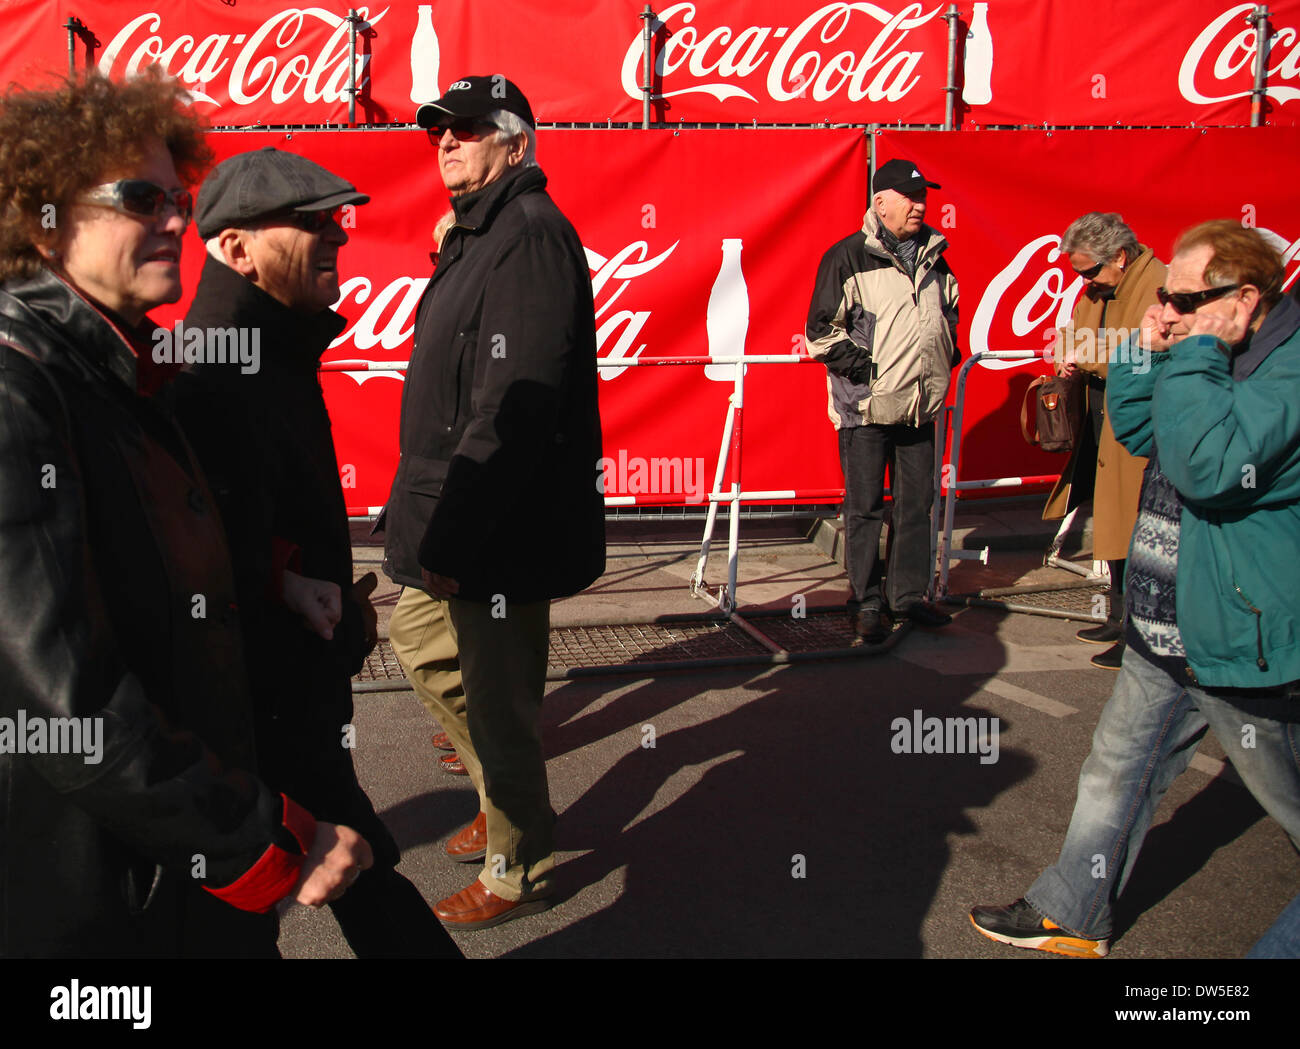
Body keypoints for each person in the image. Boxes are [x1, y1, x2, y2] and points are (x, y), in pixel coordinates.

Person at [0, 72, 371, 957]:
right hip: (102, 888)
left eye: (180, 196)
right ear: (43, 219)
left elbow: (147, 550)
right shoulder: (19, 388)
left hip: (169, 861)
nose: (175, 218)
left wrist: (275, 574)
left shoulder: (120, 364)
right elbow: (67, 701)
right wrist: (261, 832)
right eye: (142, 198)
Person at [970, 220, 1300, 958]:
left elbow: (1212, 464)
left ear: (1245, 299)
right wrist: (1145, 353)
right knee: (1116, 766)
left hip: (1241, 635)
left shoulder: (1285, 367)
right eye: (1166, 297)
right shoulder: (1200, 348)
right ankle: (1074, 908)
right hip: (1163, 621)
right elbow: (1145, 432)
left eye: (1184, 299)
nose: (1167, 310)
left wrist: (1196, 355)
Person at [173, 147, 462, 958]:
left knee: (339, 872)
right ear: (235, 249)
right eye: (306, 223)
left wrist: (317, 589)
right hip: (265, 698)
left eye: (335, 217)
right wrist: (296, 596)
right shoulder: (223, 362)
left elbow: (259, 530)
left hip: (292, 680)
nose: (334, 233)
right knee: (346, 865)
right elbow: (207, 562)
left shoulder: (274, 342)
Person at [380, 75, 605, 930]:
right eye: (439, 129)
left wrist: (461, 531)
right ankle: (499, 798)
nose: (446, 140)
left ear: (516, 144)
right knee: (416, 638)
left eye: (468, 128)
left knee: (502, 704)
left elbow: (517, 401)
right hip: (458, 508)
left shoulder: (529, 236)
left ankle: (520, 864)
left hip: (500, 527)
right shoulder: (482, 231)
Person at [804, 158, 959, 644]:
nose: (920, 205)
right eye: (910, 197)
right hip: (867, 409)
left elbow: (948, 315)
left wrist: (938, 363)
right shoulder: (846, 256)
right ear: (880, 202)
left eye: (923, 197)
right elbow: (820, 335)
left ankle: (907, 598)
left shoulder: (936, 257)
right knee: (865, 509)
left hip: (919, 407)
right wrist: (873, 374)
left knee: (917, 507)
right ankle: (867, 602)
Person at [1043, 214, 1165, 670]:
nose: (1085, 281)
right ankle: (1117, 617)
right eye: (1079, 274)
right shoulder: (1102, 285)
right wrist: (1068, 350)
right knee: (1112, 522)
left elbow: (1148, 353)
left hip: (1136, 426)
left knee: (1138, 530)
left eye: (1090, 271)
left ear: (1119, 256)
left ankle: (1139, 635)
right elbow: (1078, 330)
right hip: (1101, 415)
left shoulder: (1157, 285)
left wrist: (1086, 355)